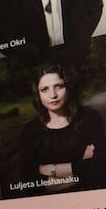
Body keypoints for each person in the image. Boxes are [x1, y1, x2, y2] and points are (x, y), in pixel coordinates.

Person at [17, 62, 106, 194]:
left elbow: (100, 168)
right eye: (44, 89)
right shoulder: (29, 131)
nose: (53, 95)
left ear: (69, 87)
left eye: (59, 86)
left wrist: (49, 169)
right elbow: (31, 184)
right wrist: (82, 169)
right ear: (38, 94)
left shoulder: (89, 118)